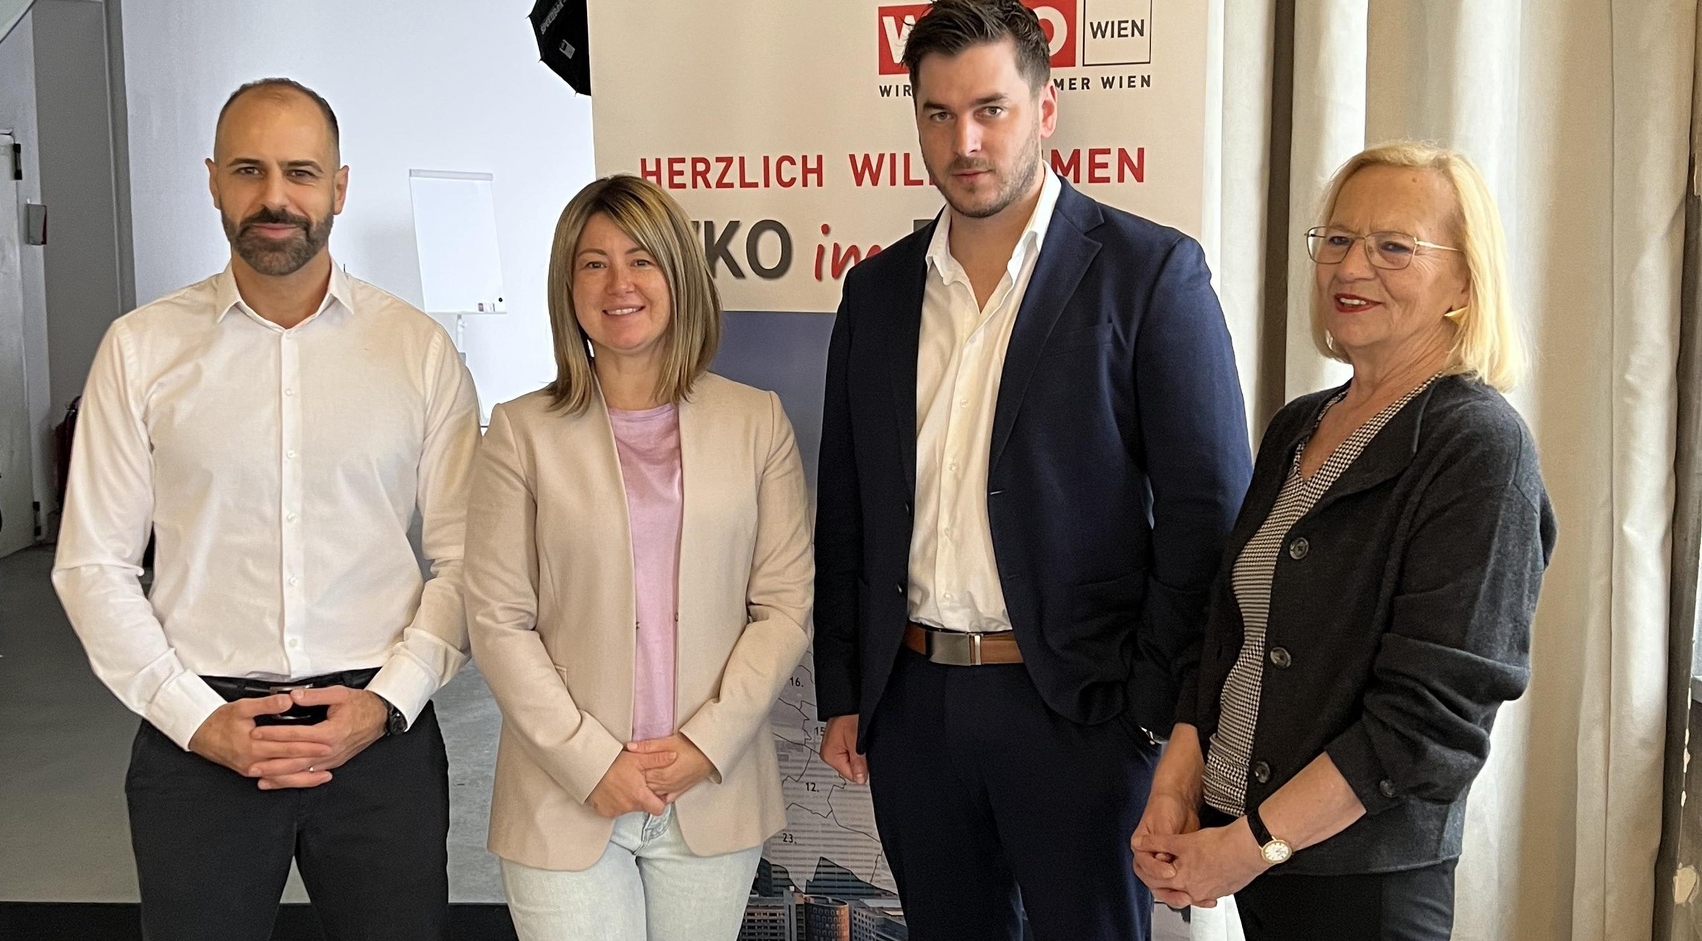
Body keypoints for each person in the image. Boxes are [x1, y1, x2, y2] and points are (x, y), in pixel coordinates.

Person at [811, 1, 1254, 938]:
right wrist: (846, 691)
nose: (963, 141)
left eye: (991, 109)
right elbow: (847, 507)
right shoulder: (877, 292)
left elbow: (1207, 517)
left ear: (1045, 109)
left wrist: (1152, 710)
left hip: (1080, 713)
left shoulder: (1150, 273)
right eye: (938, 114)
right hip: (914, 707)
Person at [52, 78, 480, 941]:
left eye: (301, 172)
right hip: (197, 738)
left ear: (339, 187)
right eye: (249, 170)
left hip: (378, 738)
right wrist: (194, 717)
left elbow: (469, 559)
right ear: (214, 180)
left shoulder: (419, 352)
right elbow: (93, 563)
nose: (275, 196)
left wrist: (386, 702)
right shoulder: (140, 350)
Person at [1131, 142, 1558, 940]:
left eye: (1394, 246)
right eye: (1337, 238)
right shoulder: (1301, 424)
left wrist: (1252, 846)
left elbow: (1427, 725)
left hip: (1364, 887)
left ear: (1465, 282)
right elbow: (1226, 636)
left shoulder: (1479, 447)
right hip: (1264, 862)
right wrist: (1175, 789)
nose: (1351, 266)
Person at [464, 174, 813, 941]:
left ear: (678, 274)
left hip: (710, 789)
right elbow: (496, 620)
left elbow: (784, 607)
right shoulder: (520, 432)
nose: (618, 283)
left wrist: (705, 744)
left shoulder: (756, 422)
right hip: (563, 793)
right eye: (593, 263)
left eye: (641, 260)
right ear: (568, 288)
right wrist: (591, 760)